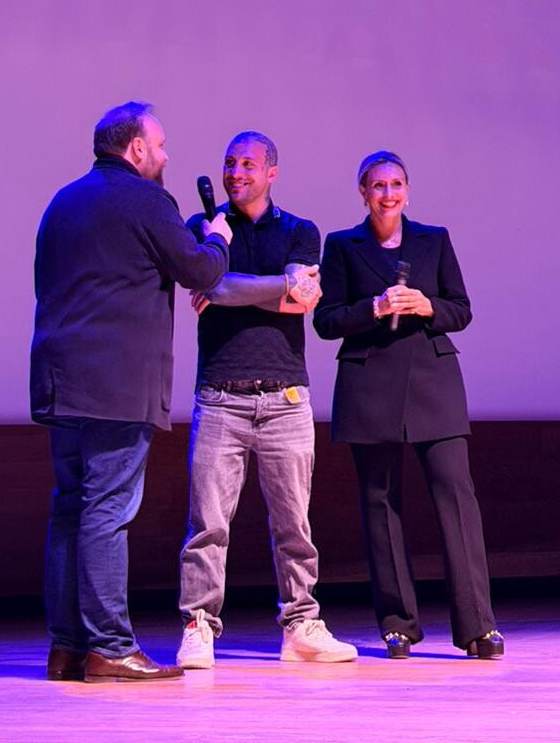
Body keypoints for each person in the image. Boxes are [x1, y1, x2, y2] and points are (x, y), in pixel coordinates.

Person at [31, 101, 232, 683]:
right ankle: (110, 647)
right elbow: (200, 270)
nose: (166, 156)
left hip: (60, 378)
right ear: (137, 148)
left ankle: (67, 648)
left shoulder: (62, 202)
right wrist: (218, 239)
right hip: (116, 384)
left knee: (71, 509)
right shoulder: (146, 199)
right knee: (106, 511)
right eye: (160, 145)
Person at [176, 132, 358, 668]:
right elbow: (219, 284)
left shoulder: (300, 230)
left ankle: (301, 624)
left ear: (271, 172)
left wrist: (227, 289)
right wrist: (275, 287)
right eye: (229, 163)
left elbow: (300, 300)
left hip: (285, 396)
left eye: (248, 164)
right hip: (220, 395)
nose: (236, 172)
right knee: (208, 524)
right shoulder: (204, 227)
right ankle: (199, 625)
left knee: (293, 524)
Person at [314, 151, 504, 660]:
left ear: (408, 190)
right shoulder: (342, 245)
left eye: (396, 184)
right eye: (378, 186)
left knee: (456, 499)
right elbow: (326, 320)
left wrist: (427, 305)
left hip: (433, 384)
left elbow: (461, 310)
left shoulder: (434, 240)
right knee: (380, 504)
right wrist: (373, 308)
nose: (388, 194)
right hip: (369, 387)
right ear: (363, 192)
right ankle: (398, 626)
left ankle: (479, 626)